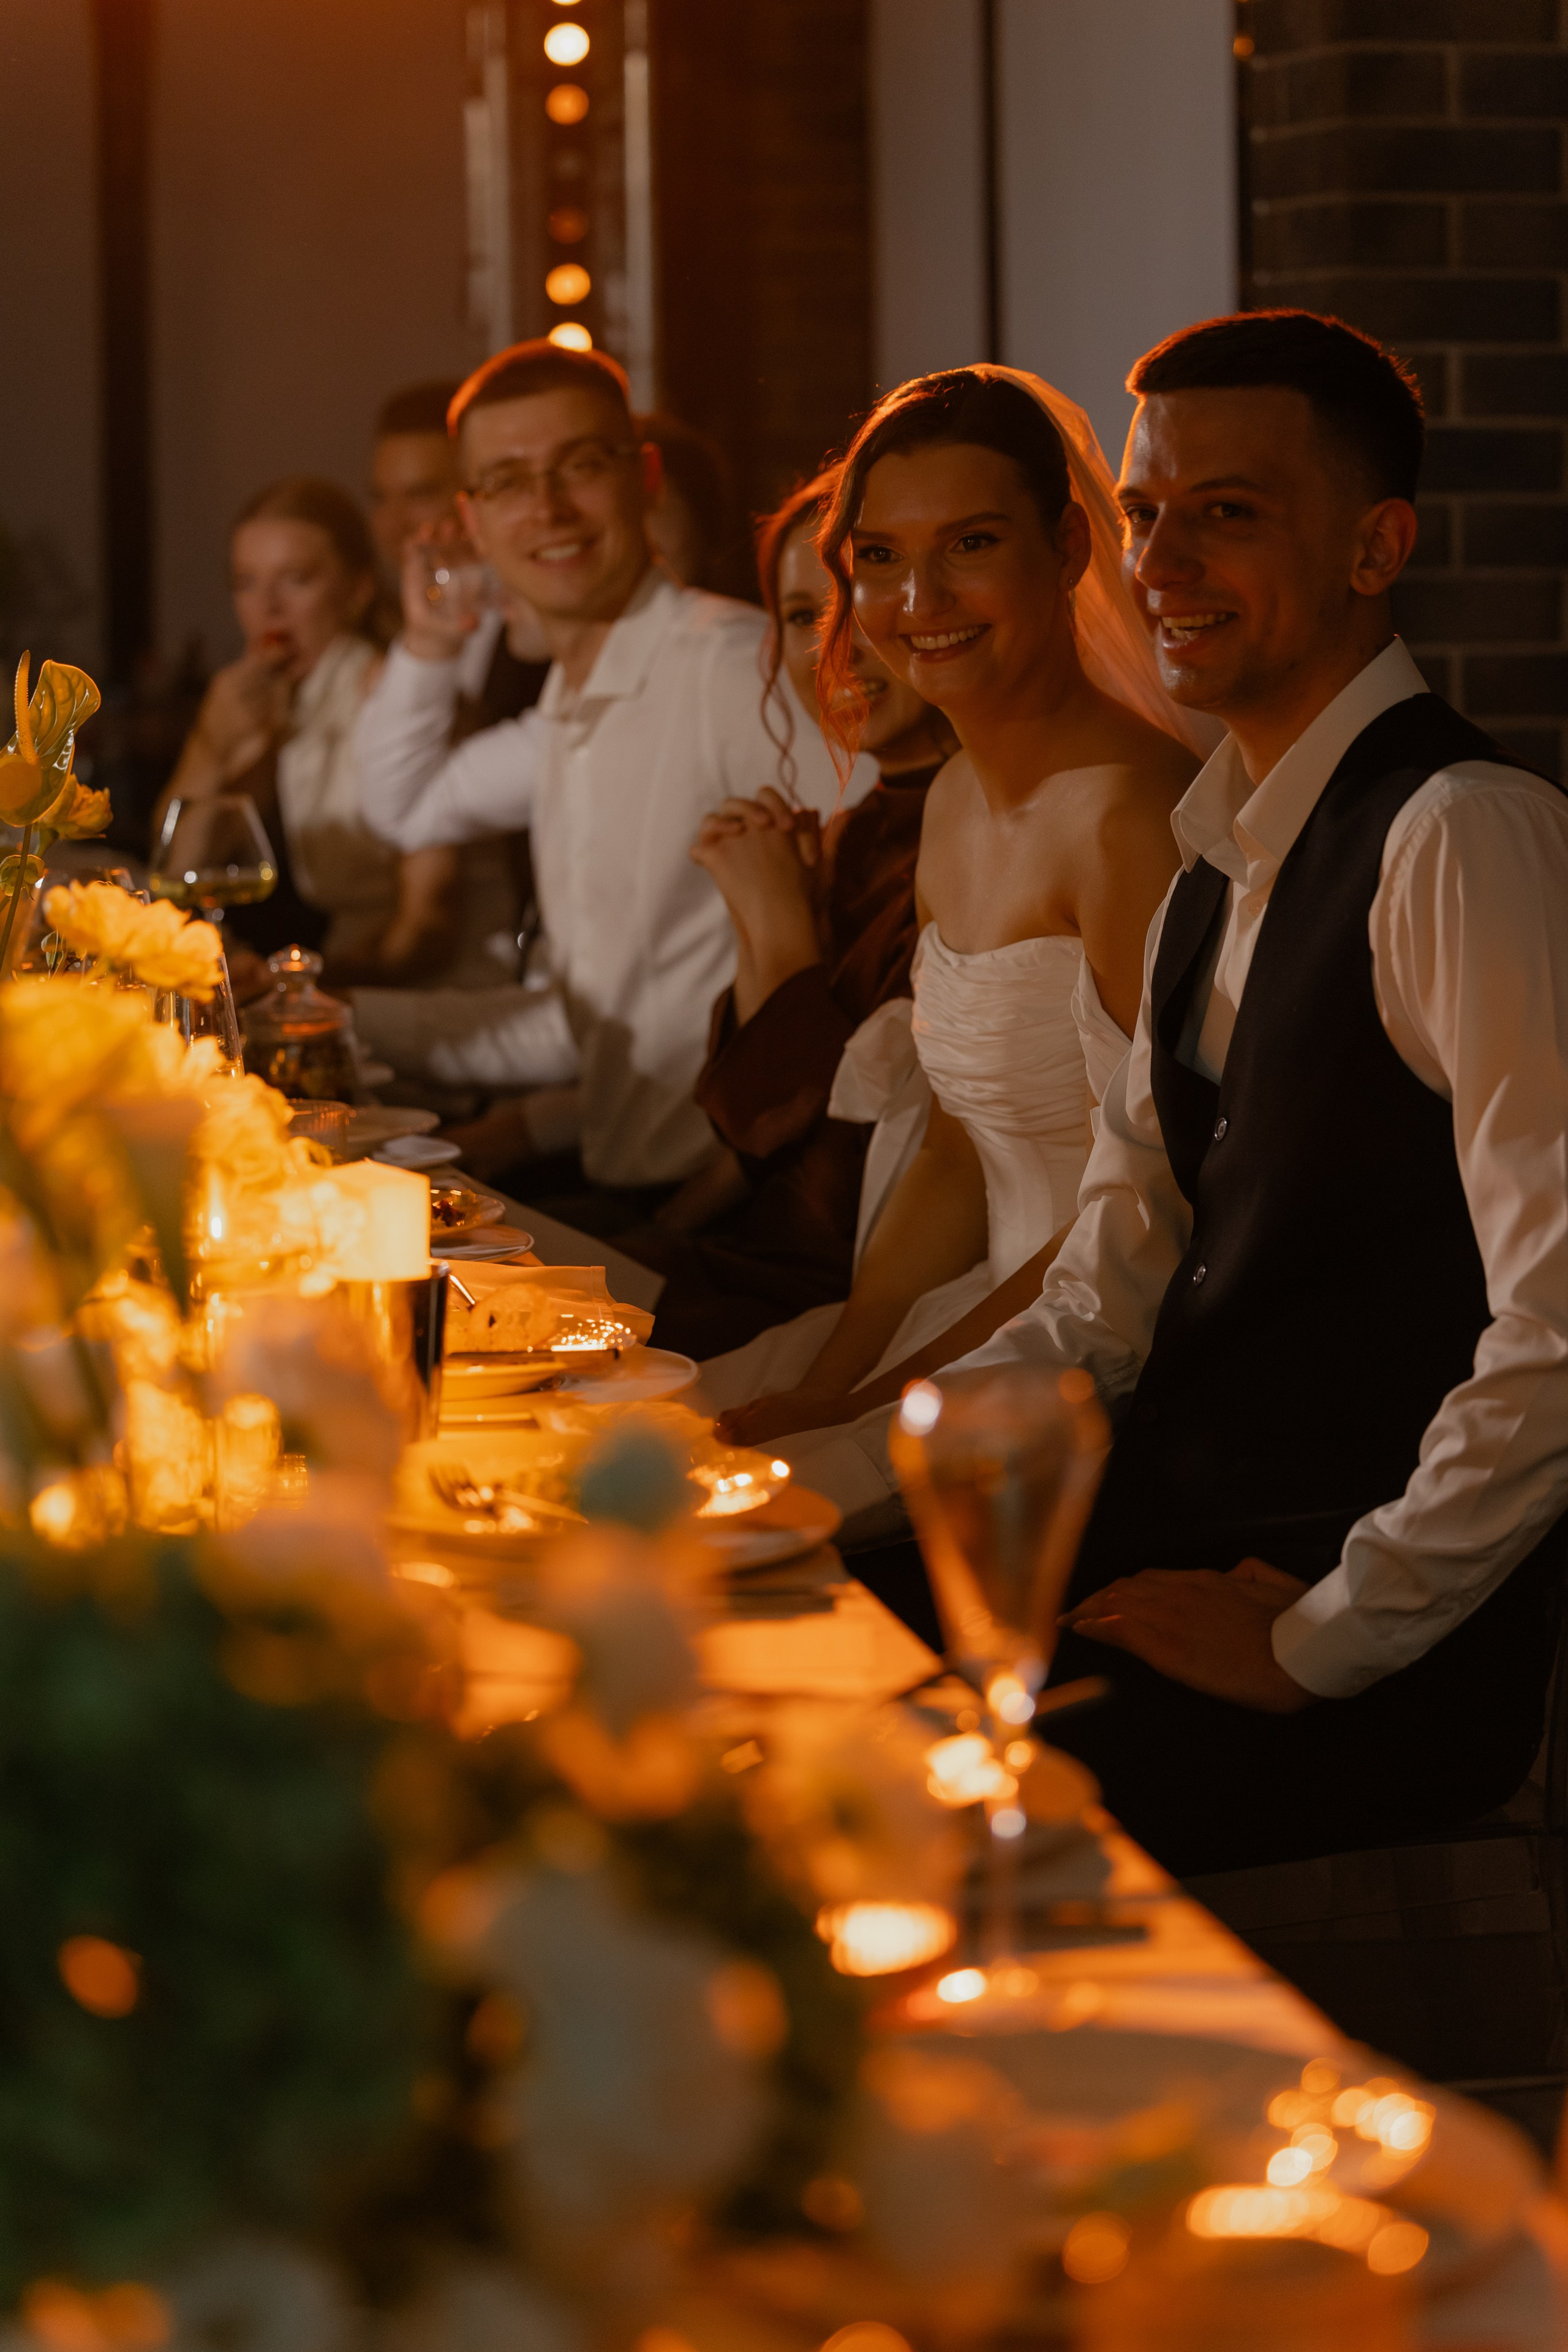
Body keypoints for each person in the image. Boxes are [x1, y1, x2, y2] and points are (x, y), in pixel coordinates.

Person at [858, 311, 1568, 1879]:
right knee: (766, 1655)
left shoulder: (1458, 834)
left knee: (871, 1805)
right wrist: (850, 1477)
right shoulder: (1207, 860)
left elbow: (1558, 1319)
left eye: (1225, 514)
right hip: (1149, 1546)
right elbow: (1107, 1287)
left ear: (1374, 545)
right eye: (1141, 515)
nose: (1160, 561)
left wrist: (1327, 1631)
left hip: (1361, 1648)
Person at [699, 368, 1203, 1447]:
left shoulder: (1130, 819)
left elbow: (1143, 1210)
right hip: (954, 1311)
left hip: (1083, 1351)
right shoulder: (954, 801)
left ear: (1068, 551)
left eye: (971, 545)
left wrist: (867, 1407)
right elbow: (950, 1146)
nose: (916, 604)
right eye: (879, 558)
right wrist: (841, 1371)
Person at [349, 339, 865, 1232]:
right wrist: (335, 1012)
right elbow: (405, 805)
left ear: (648, 478)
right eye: (508, 482)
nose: (548, 507)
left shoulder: (726, 666)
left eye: (580, 466)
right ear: (474, 521)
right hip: (635, 1184)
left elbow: (878, 947)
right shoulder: (573, 700)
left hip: (754, 1206)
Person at [622, 470, 956, 1356]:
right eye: (803, 615)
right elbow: (751, 1128)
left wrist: (773, 927)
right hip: (745, 1264)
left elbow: (838, 1186)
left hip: (851, 1311)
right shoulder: (853, 831)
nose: (832, 649)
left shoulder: (979, 833)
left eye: (860, 593)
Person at [158, 476, 516, 993]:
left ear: (356, 593)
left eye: (297, 579)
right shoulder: (285, 704)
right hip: (352, 979)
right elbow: (173, 874)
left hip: (451, 994)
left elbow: (428, 931)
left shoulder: (390, 696)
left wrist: (292, 991)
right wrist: (210, 748)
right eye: (246, 582)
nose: (268, 608)